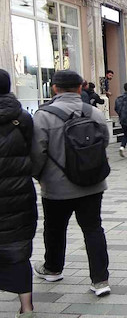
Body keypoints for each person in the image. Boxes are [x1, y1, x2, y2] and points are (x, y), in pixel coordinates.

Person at [31, 70, 111, 297]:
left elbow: (38, 152)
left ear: (54, 88)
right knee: (93, 229)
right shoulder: (93, 112)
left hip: (56, 186)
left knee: (55, 228)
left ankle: (53, 268)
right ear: (80, 88)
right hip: (93, 183)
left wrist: (39, 176)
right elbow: (104, 141)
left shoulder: (43, 115)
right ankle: (100, 280)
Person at [0, 70, 37, 318]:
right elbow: (34, 153)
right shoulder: (22, 117)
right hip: (19, 193)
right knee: (18, 249)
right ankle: (27, 307)